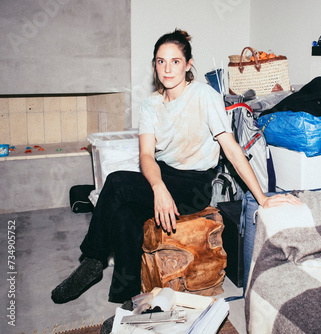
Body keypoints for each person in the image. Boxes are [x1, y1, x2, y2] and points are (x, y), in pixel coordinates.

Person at [51, 29, 300, 304]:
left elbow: (230, 147)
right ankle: (131, 302)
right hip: (162, 175)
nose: (167, 68)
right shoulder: (150, 105)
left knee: (116, 182)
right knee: (124, 217)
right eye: (160, 61)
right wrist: (158, 187)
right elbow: (146, 155)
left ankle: (93, 260)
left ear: (188, 64)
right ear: (154, 65)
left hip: (193, 185)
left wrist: (262, 198)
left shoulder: (204, 96)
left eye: (175, 61)